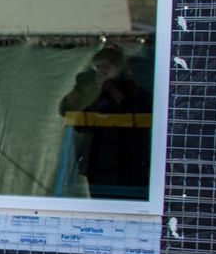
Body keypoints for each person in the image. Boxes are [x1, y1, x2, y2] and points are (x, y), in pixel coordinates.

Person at [58, 45, 152, 199]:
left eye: (105, 67)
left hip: (130, 166)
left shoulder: (136, 91)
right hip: (99, 167)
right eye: (97, 68)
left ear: (119, 68)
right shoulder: (98, 94)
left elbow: (134, 109)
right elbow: (69, 114)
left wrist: (110, 86)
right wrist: (79, 89)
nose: (100, 72)